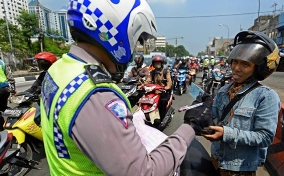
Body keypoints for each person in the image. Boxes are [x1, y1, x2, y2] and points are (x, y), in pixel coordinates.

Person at [40, 0, 195, 175]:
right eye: (138, 39)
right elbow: (143, 172)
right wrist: (189, 129)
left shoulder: (59, 69)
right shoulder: (95, 94)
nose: (136, 48)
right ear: (118, 30)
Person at [203, 31, 281, 176]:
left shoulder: (266, 96)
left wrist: (226, 133)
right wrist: (201, 116)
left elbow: (265, 137)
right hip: (216, 160)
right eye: (235, 61)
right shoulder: (224, 90)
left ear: (258, 68)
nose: (236, 68)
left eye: (245, 64)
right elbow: (215, 119)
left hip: (239, 170)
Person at [144, 55, 172, 125]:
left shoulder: (166, 72)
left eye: (158, 63)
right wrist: (143, 85)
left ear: (162, 63)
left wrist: (166, 87)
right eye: (156, 63)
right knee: (143, 98)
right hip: (154, 91)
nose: (157, 65)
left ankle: (161, 119)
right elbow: (148, 81)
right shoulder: (152, 72)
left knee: (163, 101)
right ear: (153, 64)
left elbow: (169, 83)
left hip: (163, 91)